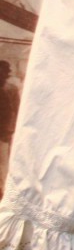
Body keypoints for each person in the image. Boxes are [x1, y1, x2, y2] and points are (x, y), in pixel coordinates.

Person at [0, 61, 19, 200]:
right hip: (5, 132)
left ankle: (5, 191)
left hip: (4, 133)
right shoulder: (9, 89)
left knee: (4, 163)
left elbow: (15, 111)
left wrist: (10, 130)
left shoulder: (10, 89)